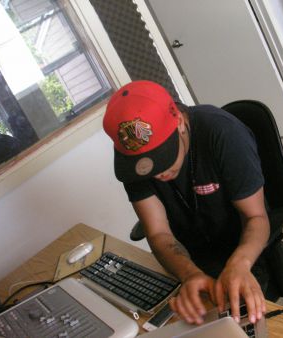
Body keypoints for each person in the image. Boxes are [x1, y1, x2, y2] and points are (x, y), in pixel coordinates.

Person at [103, 80, 269, 325]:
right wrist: (190, 274)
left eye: (162, 158)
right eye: (145, 167)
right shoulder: (133, 158)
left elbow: (256, 217)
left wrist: (240, 263)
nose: (156, 174)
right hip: (188, 259)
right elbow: (158, 232)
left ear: (179, 122)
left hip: (243, 249)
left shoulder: (223, 133)